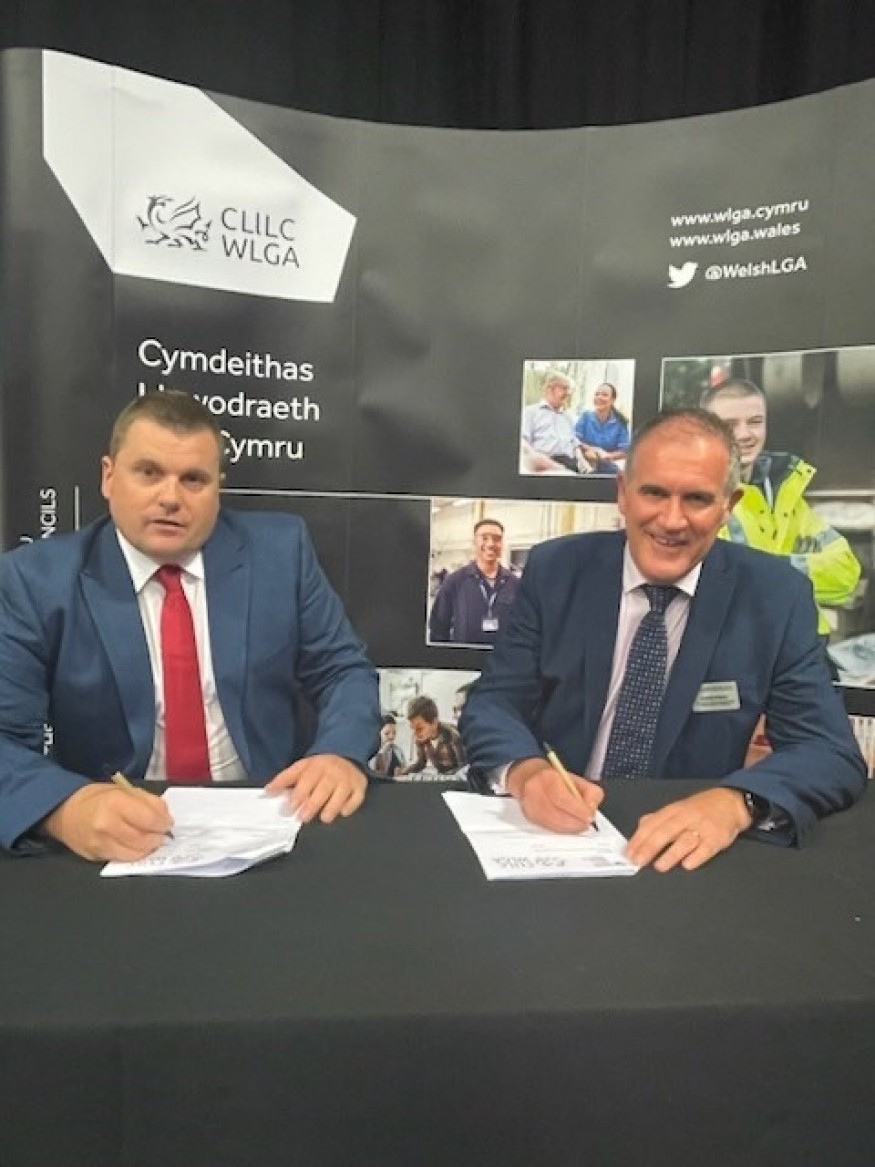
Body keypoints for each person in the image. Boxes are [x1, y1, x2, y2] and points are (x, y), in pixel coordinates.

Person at [460, 408, 866, 872]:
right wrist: (527, 773)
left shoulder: (776, 596)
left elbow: (828, 751)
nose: (672, 521)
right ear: (623, 493)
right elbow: (494, 702)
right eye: (654, 493)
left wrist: (737, 802)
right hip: (555, 841)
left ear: (728, 505)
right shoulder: (556, 569)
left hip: (683, 856)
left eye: (697, 499)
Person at [0, 390, 380, 859]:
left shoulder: (281, 551)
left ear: (218, 488)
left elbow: (343, 670)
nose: (170, 498)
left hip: (268, 816)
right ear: (108, 477)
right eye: (149, 473)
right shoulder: (35, 581)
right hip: (119, 832)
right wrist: (65, 810)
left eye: (193, 479)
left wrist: (339, 752)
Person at [700, 378, 861, 636]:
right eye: (730, 425)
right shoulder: (698, 499)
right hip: (740, 642)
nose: (745, 434)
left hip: (803, 642)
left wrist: (766, 569)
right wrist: (801, 566)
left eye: (755, 422)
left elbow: (846, 572)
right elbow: (720, 586)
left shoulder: (786, 492)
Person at [429, 518, 520, 646]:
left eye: (497, 539)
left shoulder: (515, 584)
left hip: (502, 656)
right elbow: (438, 628)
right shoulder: (454, 581)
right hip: (464, 656)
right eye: (484, 538)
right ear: (474, 542)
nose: (490, 544)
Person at [520, 370, 583, 473]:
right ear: (550, 389)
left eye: (569, 389)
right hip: (544, 466)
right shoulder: (530, 412)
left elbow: (575, 444)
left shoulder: (569, 417)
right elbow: (523, 442)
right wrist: (537, 460)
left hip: (570, 466)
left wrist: (583, 464)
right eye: (564, 388)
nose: (568, 393)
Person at [401, 696, 467, 777]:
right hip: (442, 778)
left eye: (419, 728)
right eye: (412, 728)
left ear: (434, 722)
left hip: (458, 778)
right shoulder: (421, 738)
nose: (415, 734)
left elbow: (463, 767)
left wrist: (442, 777)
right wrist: (403, 773)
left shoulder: (453, 736)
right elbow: (421, 763)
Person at [574, 382, 630, 474]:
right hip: (586, 465)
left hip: (610, 466)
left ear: (612, 400)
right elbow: (575, 440)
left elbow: (624, 450)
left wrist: (608, 456)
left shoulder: (620, 422)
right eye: (597, 394)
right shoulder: (585, 417)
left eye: (604, 395)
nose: (599, 397)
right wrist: (594, 450)